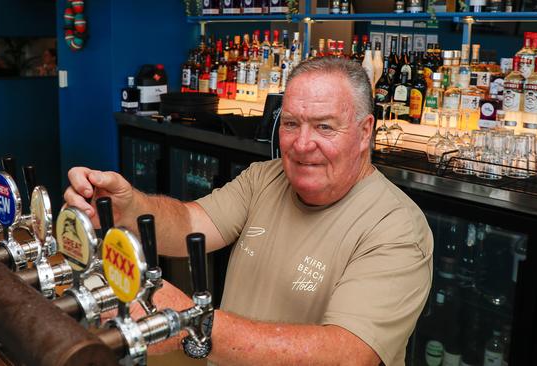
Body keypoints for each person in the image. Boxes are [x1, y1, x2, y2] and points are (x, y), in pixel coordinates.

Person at [64, 56, 433, 366]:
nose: (303, 144)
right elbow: (192, 223)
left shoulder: (396, 228)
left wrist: (194, 321)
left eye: (324, 126)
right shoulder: (265, 178)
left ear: (365, 131)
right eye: (291, 124)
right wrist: (131, 207)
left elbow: (349, 354)